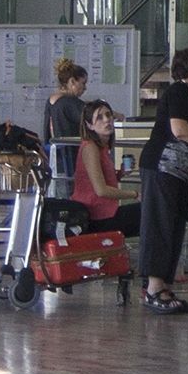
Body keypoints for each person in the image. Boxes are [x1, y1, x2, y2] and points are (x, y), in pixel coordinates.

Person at [136, 50, 188, 313]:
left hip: (181, 173)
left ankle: (163, 283)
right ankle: (153, 286)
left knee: (174, 226)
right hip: (164, 168)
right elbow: (179, 129)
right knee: (160, 224)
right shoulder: (179, 92)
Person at [53, 99, 142, 243]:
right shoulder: (90, 148)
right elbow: (101, 190)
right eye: (99, 118)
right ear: (90, 125)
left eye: (108, 115)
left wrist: (119, 174)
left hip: (103, 212)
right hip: (96, 216)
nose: (107, 120)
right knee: (151, 212)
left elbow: (99, 180)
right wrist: (134, 194)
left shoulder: (102, 148)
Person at [43, 59, 91, 188]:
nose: (85, 88)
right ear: (72, 82)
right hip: (71, 156)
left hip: (55, 155)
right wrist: (114, 114)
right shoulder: (70, 102)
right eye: (83, 83)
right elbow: (92, 114)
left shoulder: (52, 101)